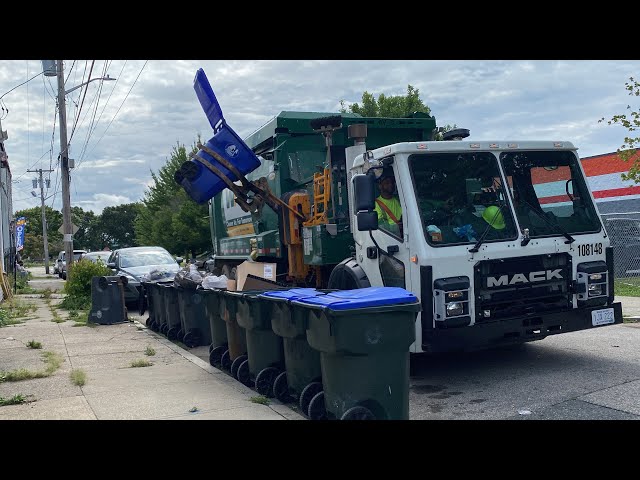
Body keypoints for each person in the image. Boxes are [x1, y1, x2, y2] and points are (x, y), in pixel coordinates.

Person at [374, 168, 403, 236]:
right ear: (380, 186)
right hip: (392, 237)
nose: (391, 185)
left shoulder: (399, 199)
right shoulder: (376, 203)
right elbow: (381, 226)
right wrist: (396, 227)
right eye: (387, 183)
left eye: (392, 182)